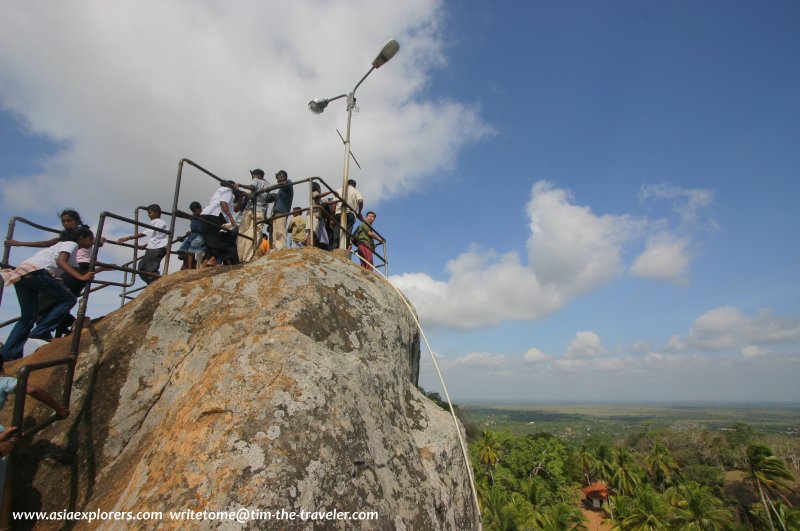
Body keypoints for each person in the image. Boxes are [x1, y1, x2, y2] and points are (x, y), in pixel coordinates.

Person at [0, 227, 96, 361]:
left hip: (22, 274)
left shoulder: (62, 249)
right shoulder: (71, 244)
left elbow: (71, 268)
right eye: (91, 239)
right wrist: (81, 278)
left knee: (28, 317)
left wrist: (103, 268)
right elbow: (61, 262)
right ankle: (42, 330)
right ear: (81, 238)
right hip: (37, 272)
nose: (92, 242)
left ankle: (8, 355)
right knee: (69, 299)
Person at [117, 204, 168, 285]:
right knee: (142, 267)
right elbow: (160, 236)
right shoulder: (160, 223)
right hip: (154, 247)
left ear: (156, 213)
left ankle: (159, 284)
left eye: (150, 213)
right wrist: (147, 244)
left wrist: (128, 238)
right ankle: (152, 284)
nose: (148, 215)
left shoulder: (157, 221)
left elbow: (144, 233)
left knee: (150, 269)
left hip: (157, 248)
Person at [199, 181, 239, 265]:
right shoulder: (227, 190)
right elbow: (223, 203)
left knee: (213, 240)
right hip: (216, 215)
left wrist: (241, 197)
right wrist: (231, 218)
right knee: (227, 240)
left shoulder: (219, 191)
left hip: (205, 215)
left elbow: (235, 209)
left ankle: (208, 261)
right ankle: (231, 262)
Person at [236, 169, 272, 262]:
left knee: (242, 233)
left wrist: (240, 185)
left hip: (249, 209)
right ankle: (248, 257)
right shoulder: (268, 185)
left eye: (253, 176)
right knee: (254, 234)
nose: (252, 178)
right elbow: (271, 198)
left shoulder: (256, 180)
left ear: (258, 175)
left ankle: (240, 257)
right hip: (260, 211)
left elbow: (252, 187)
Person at [329, 179, 363, 249]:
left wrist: (332, 217)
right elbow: (360, 201)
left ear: (347, 184)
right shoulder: (356, 191)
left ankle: (335, 249)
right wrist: (359, 213)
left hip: (338, 213)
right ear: (355, 186)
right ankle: (344, 248)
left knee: (336, 233)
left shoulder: (339, 190)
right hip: (350, 214)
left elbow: (333, 205)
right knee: (347, 233)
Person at [269, 170, 293, 251]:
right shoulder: (281, 189)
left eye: (278, 178)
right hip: (276, 212)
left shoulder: (288, 182)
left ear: (282, 176)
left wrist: (272, 187)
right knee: (275, 232)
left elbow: (284, 184)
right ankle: (276, 248)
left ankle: (281, 247)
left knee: (280, 230)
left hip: (282, 211)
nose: (277, 180)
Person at [177, 201, 205, 270]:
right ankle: (182, 254)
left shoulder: (203, 217)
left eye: (195, 211)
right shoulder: (192, 216)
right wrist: (177, 212)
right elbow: (184, 215)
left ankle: (189, 269)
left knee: (191, 251)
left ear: (200, 209)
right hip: (192, 235)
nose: (194, 213)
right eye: (193, 211)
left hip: (200, 236)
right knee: (184, 246)